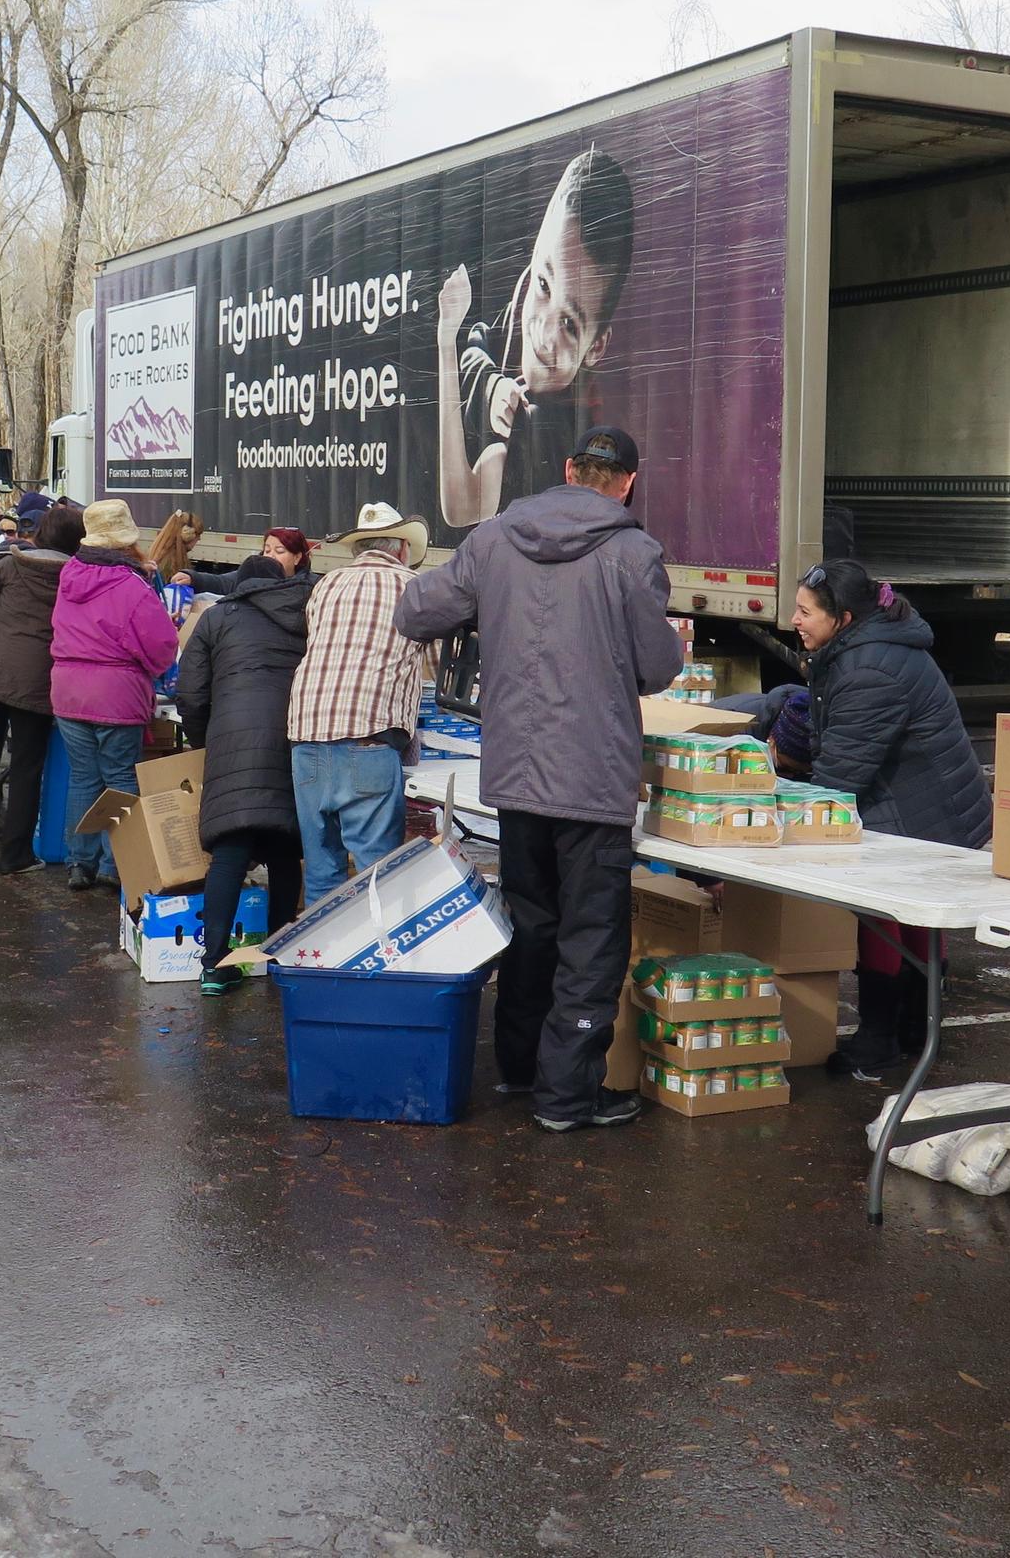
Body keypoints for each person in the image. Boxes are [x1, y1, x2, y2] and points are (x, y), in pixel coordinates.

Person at [396, 425, 682, 1131]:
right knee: (591, 939)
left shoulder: (494, 537)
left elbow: (414, 611)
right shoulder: (633, 552)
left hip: (518, 778)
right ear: (627, 483)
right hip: (592, 781)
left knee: (531, 924)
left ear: (566, 468)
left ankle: (520, 1072)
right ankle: (567, 1097)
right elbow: (657, 669)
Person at [791, 561, 992, 1080]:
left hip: (921, 811)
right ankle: (914, 1030)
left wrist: (775, 821)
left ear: (844, 617)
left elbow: (840, 774)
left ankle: (880, 1040)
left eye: (805, 612)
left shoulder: (870, 669)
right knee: (915, 914)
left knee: (884, 911)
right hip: (929, 804)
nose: (794, 620)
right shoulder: (864, 649)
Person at [437, 148, 637, 529]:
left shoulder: (549, 425)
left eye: (570, 324)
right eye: (544, 285)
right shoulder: (505, 355)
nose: (544, 332)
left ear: (597, 345)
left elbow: (462, 507)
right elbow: (481, 341)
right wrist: (460, 351)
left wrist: (453, 348)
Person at [176, 549, 316, 995]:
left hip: (232, 737)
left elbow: (191, 692)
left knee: (231, 848)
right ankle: (279, 953)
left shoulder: (217, 620)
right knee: (282, 846)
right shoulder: (308, 616)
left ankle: (214, 963)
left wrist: (203, 741)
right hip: (292, 733)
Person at [287, 502, 431, 898]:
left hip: (308, 735)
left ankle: (321, 956)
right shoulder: (412, 587)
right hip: (369, 736)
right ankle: (371, 957)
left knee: (321, 870)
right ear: (402, 548)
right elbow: (435, 661)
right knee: (376, 876)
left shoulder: (326, 584)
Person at [51, 501, 181, 890]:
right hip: (116, 696)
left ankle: (79, 862)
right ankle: (115, 864)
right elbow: (161, 646)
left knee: (83, 779)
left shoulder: (69, 575)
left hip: (67, 691)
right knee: (121, 778)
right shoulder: (132, 586)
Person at [0, 503, 81, 872]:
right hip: (38, 682)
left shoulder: (9, 565)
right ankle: (16, 855)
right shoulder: (75, 577)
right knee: (27, 769)